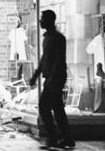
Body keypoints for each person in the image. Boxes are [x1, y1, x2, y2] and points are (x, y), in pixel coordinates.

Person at [29, 10, 75, 149]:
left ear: (49, 20)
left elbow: (58, 61)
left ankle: (53, 138)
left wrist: (51, 79)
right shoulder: (47, 37)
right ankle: (67, 138)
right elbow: (45, 59)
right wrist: (36, 75)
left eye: (42, 19)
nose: (40, 21)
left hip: (55, 79)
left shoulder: (58, 38)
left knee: (44, 106)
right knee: (58, 109)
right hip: (51, 78)